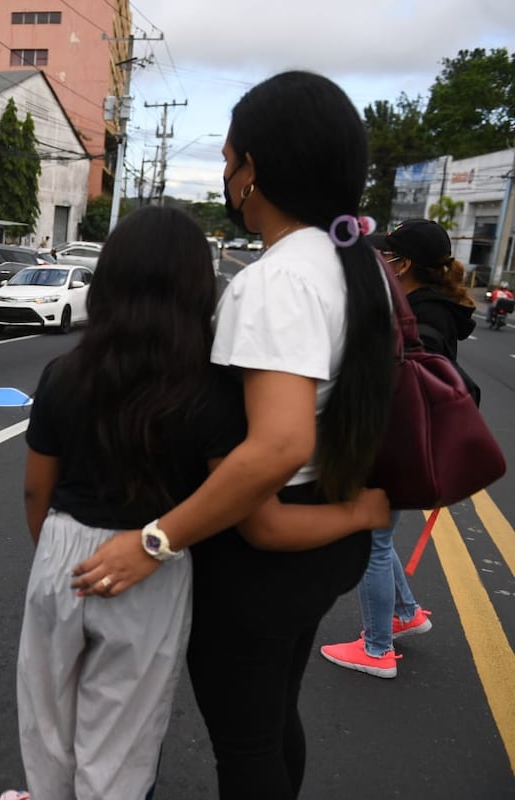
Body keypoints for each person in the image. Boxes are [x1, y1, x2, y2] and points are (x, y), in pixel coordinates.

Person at [67, 72, 395, 799]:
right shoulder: (351, 266)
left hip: (262, 562)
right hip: (323, 540)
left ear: (256, 171)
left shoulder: (277, 281)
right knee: (274, 720)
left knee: (246, 744)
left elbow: (279, 446)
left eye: (227, 160)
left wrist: (154, 541)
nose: (224, 177)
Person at [320, 218, 474, 678]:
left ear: (402, 264)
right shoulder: (432, 307)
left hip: (394, 445)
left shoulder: (423, 320)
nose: (378, 260)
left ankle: (376, 648)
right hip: (405, 444)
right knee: (380, 540)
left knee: (371, 544)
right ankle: (405, 614)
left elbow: (409, 381)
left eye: (385, 254)